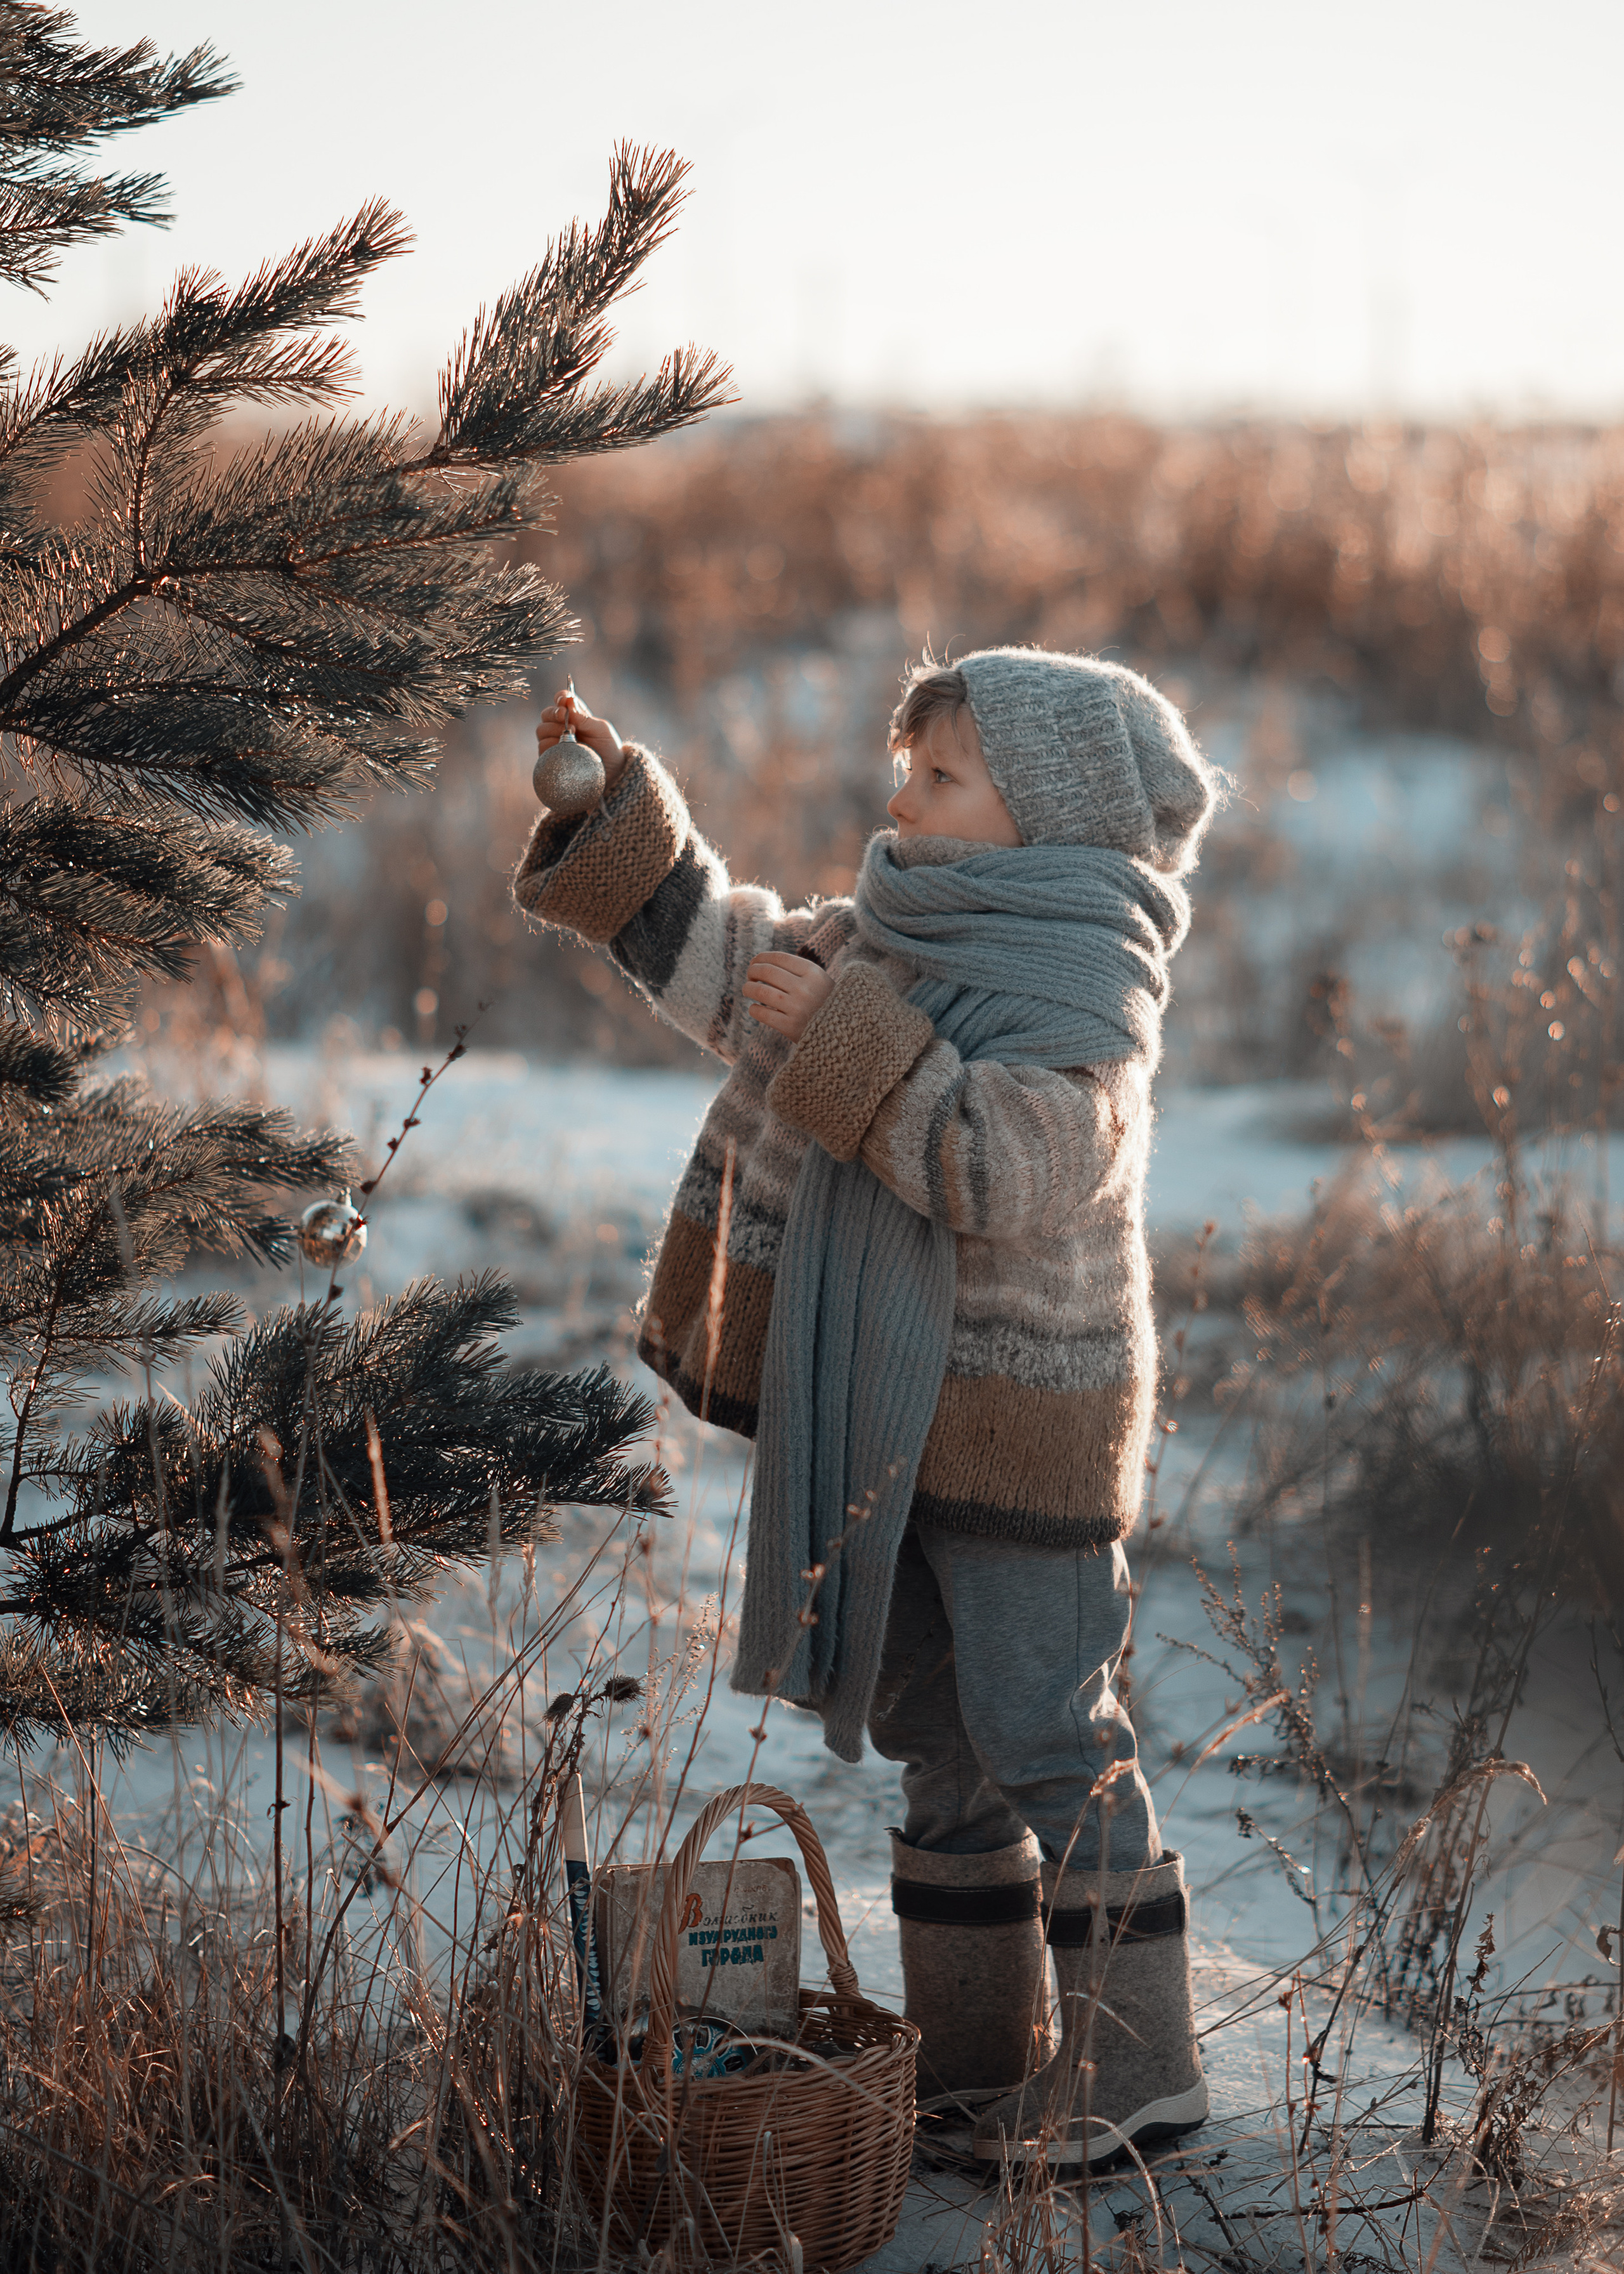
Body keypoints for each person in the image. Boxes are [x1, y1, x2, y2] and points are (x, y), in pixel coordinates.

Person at [514, 647, 1217, 2168]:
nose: (902, 800)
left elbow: (994, 1165)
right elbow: (725, 964)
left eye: (942, 776)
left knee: (1044, 1731)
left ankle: (1134, 2067)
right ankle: (969, 2064)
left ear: (1050, 819)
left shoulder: (1081, 1007)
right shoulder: (877, 940)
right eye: (907, 768)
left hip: (1022, 1444)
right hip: (887, 1428)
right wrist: (616, 813)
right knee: (937, 1743)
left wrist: (841, 1031)